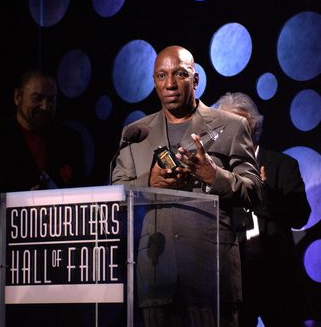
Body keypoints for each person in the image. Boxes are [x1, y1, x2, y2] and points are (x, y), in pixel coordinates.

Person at [111, 46, 262, 327]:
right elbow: (116, 196)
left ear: (195, 80)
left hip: (210, 275)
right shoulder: (136, 133)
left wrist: (213, 175)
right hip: (156, 275)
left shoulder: (231, 126)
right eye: (161, 75)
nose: (170, 84)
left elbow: (253, 190)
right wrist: (149, 182)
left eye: (180, 74)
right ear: (154, 81)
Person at [0, 67, 86, 326]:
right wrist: (20, 206)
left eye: (52, 100)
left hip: (52, 279)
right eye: (37, 98)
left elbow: (82, 196)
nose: (45, 106)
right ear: (17, 97)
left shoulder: (68, 140)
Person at [215, 92, 311, 327]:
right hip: (234, 280)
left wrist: (264, 195)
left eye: (240, 122)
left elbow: (300, 216)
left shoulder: (282, 165)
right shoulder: (216, 172)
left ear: (254, 125)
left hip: (277, 277)